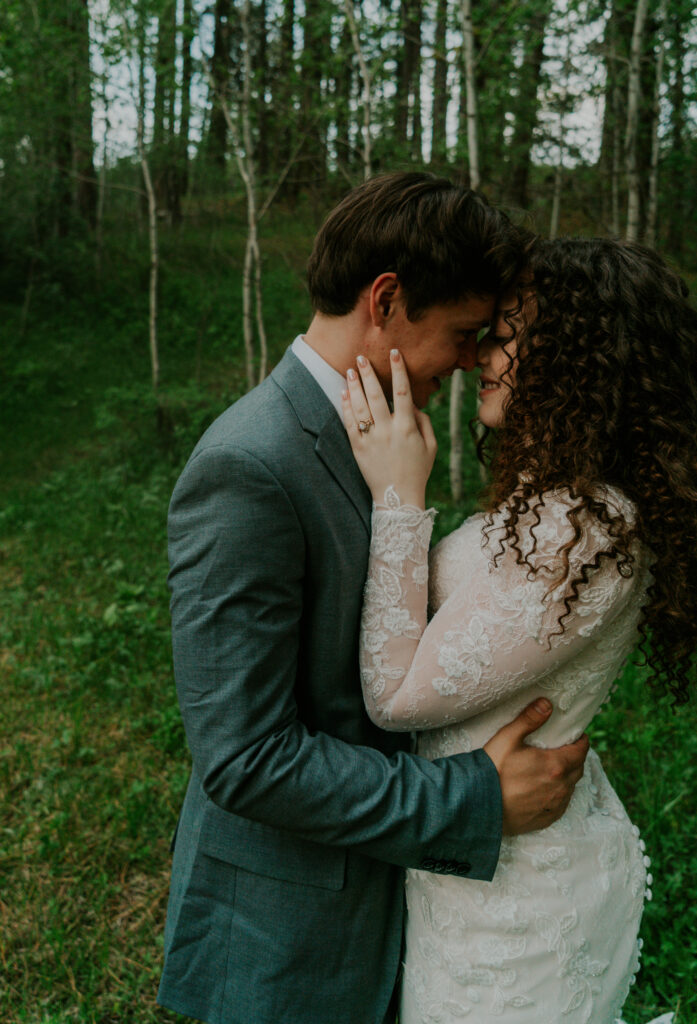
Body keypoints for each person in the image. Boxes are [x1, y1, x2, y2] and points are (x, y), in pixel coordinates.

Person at [156, 173, 590, 1024]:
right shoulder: (248, 465)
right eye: (463, 332)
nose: (473, 361)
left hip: (402, 915)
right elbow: (243, 757)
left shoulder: (384, 430)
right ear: (386, 298)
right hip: (293, 940)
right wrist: (472, 800)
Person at [343, 236, 696, 1024]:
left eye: (502, 338)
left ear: (574, 362)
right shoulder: (548, 507)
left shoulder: (589, 529)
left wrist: (400, 498)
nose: (476, 359)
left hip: (519, 903)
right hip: (472, 859)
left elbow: (396, 696)